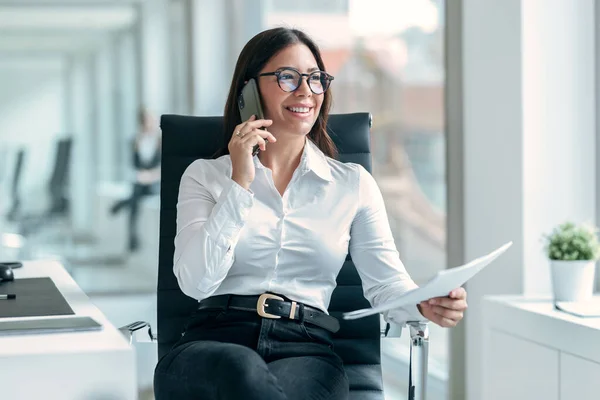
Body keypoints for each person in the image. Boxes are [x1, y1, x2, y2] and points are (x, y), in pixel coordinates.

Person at [153, 27, 468, 400]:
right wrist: (240, 183)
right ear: (249, 91)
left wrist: (423, 303)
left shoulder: (352, 185)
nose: (306, 91)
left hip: (305, 348)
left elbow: (386, 284)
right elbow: (196, 283)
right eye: (288, 77)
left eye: (316, 78)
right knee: (242, 373)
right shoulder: (205, 176)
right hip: (211, 344)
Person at [110, 107, 161, 252]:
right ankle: (132, 237)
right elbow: (133, 166)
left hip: (155, 182)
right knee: (136, 193)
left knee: (135, 195)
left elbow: (164, 166)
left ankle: (122, 205)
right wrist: (141, 176)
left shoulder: (160, 141)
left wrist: (151, 176)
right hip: (140, 181)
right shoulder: (135, 141)